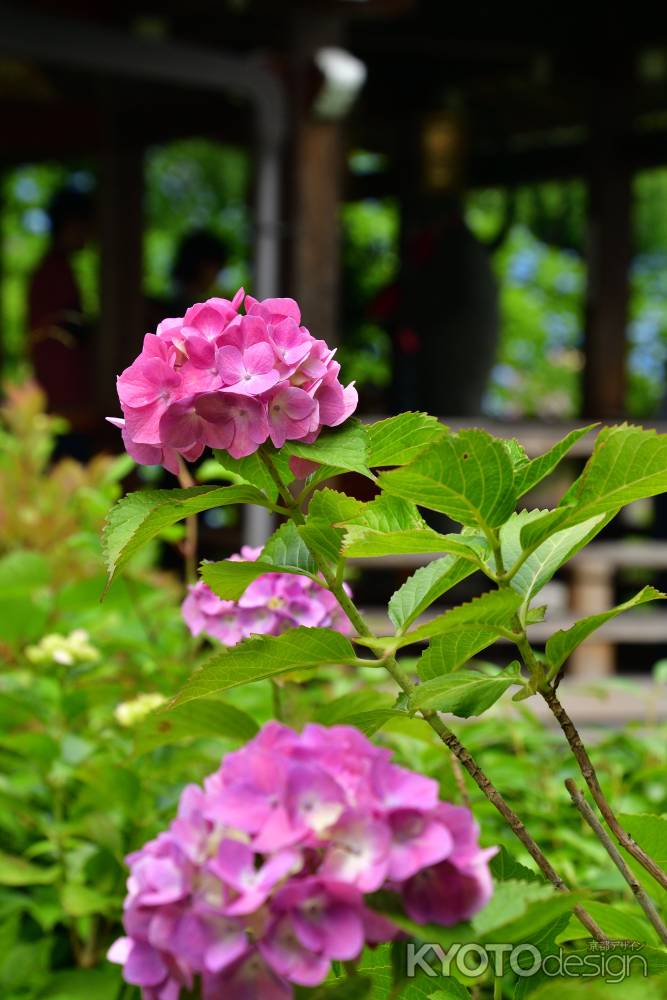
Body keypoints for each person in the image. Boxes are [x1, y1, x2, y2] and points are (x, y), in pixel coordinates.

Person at [28, 187, 95, 436]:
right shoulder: (52, 272)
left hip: (62, 398)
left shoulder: (56, 269)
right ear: (70, 224)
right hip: (63, 401)